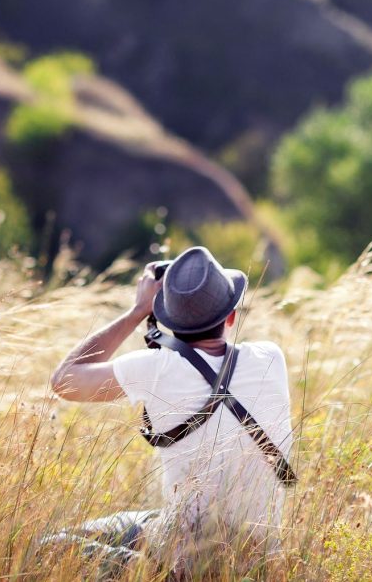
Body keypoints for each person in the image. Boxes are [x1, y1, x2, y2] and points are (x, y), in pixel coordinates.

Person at [45, 246, 295, 577]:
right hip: (259, 559)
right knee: (148, 520)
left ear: (167, 320)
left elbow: (64, 380)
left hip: (183, 562)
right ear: (231, 316)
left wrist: (137, 311)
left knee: (51, 546)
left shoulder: (155, 369)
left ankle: (146, 570)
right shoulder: (271, 357)